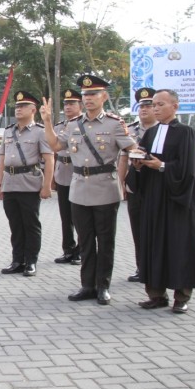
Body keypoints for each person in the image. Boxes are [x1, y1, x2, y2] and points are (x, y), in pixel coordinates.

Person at [41, 74, 136, 305]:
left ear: (104, 96)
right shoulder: (73, 125)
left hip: (105, 187)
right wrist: (46, 122)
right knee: (84, 240)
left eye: (93, 94)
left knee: (105, 240)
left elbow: (132, 149)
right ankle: (87, 285)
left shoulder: (114, 124)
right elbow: (55, 145)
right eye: (85, 95)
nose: (88, 98)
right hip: (79, 188)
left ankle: (103, 285)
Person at [133, 89, 195, 314]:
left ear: (175, 106)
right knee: (153, 244)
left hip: (176, 200)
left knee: (179, 246)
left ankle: (182, 296)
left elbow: (192, 168)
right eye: (153, 104)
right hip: (154, 197)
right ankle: (156, 294)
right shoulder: (151, 133)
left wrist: (162, 166)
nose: (155, 108)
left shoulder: (187, 133)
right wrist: (139, 165)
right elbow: (144, 161)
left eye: (160, 104)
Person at [0, 91, 54, 277]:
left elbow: (49, 159)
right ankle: (17, 260)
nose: (18, 109)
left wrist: (47, 186)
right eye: (17, 106)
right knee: (15, 225)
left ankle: (31, 261)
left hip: (29, 183)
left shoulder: (39, 131)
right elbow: (2, 160)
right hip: (10, 183)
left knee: (31, 225)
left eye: (23, 106)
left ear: (33, 110)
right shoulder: (8, 131)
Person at [122, 87, 157, 283]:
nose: (144, 109)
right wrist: (121, 184)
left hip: (157, 184)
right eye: (141, 106)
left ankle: (157, 267)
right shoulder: (129, 130)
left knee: (157, 229)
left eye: (149, 105)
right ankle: (141, 267)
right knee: (138, 229)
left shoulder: (163, 130)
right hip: (135, 184)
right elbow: (122, 158)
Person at [53, 89, 83, 265]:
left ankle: (80, 250)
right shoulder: (59, 126)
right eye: (66, 103)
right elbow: (53, 151)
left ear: (80, 105)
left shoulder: (84, 124)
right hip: (62, 171)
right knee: (65, 215)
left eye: (72, 103)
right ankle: (68, 250)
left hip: (78, 170)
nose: (68, 106)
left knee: (79, 215)